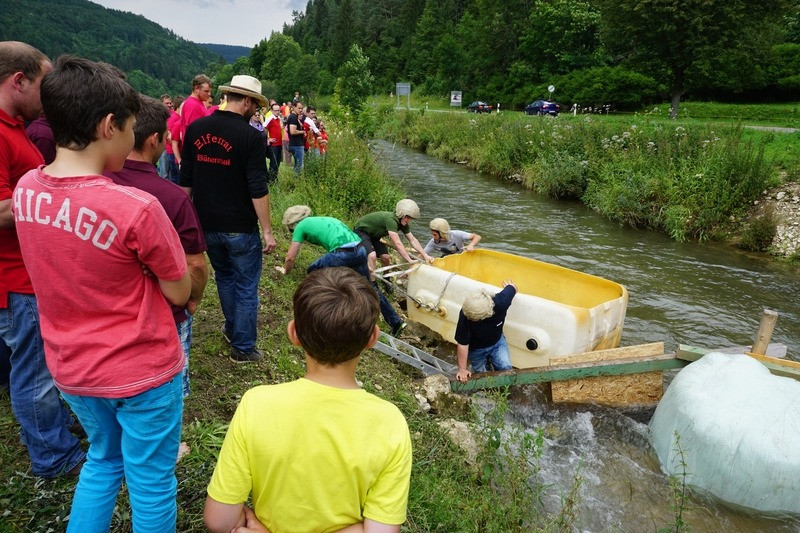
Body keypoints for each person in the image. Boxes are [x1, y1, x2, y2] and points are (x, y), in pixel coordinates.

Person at [13, 55, 190, 531]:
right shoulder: (136, 206)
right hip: (143, 371)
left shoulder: (27, 189)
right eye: (132, 128)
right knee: (151, 480)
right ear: (110, 126)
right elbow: (178, 290)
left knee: (103, 459)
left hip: (72, 369)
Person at [204, 267, 412, 533]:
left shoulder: (257, 404)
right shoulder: (390, 422)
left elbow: (218, 521)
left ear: (294, 334)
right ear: (372, 338)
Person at [0, 41, 85, 480]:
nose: (47, 95)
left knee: (36, 367)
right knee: (34, 372)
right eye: (42, 83)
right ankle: (52, 456)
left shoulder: (13, 127)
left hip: (26, 272)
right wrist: (53, 195)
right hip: (14, 277)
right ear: (19, 80)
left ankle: (46, 429)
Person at [105, 95, 209, 399]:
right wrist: (193, 298)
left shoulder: (97, 181)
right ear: (154, 140)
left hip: (109, 309)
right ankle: (170, 442)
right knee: (168, 387)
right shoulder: (172, 198)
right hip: (163, 311)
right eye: (165, 135)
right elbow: (196, 264)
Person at [180, 74, 276, 363]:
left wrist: (184, 221)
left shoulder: (197, 129)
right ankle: (243, 348)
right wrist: (268, 231)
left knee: (225, 277)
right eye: (255, 105)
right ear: (246, 100)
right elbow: (258, 188)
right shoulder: (251, 136)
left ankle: (233, 328)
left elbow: (186, 180)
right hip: (240, 228)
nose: (256, 111)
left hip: (206, 224)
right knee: (246, 285)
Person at [278, 206, 407, 335]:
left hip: (343, 252)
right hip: (360, 249)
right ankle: (396, 322)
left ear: (294, 223)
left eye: (290, 230)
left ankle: (324, 305)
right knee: (370, 288)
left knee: (313, 271)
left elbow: (290, 257)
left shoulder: (301, 226)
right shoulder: (320, 219)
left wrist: (286, 272)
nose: (291, 232)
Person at [454, 280, 517, 383]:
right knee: (482, 375)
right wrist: (462, 369)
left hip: (497, 342)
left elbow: (513, 287)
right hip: (476, 349)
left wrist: (510, 287)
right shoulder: (466, 314)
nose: (470, 319)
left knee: (506, 368)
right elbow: (463, 344)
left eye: (474, 318)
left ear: (488, 314)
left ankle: (505, 389)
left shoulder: (501, 303)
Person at [354, 198, 434, 277]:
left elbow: (412, 240)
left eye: (411, 218)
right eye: (408, 217)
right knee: (372, 256)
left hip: (374, 236)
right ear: (402, 215)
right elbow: (397, 243)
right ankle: (373, 284)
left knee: (386, 258)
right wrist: (409, 260)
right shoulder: (391, 220)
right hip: (361, 232)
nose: (408, 220)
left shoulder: (403, 223)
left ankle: (387, 278)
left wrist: (426, 256)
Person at [264, 101, 282, 182]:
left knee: (278, 162)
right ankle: (270, 180)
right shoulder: (270, 118)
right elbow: (264, 128)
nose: (277, 112)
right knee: (273, 163)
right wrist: (267, 139)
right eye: (276, 110)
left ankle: (274, 178)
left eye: (278, 110)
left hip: (279, 144)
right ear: (271, 110)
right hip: (273, 145)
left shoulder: (278, 118)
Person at [286, 100, 305, 172]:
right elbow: (292, 131)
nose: (300, 110)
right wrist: (302, 132)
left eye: (301, 108)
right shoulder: (293, 117)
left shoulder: (294, 117)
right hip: (296, 144)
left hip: (296, 144)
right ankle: (295, 181)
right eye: (299, 108)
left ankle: (295, 181)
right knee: (299, 165)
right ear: (294, 107)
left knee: (297, 164)